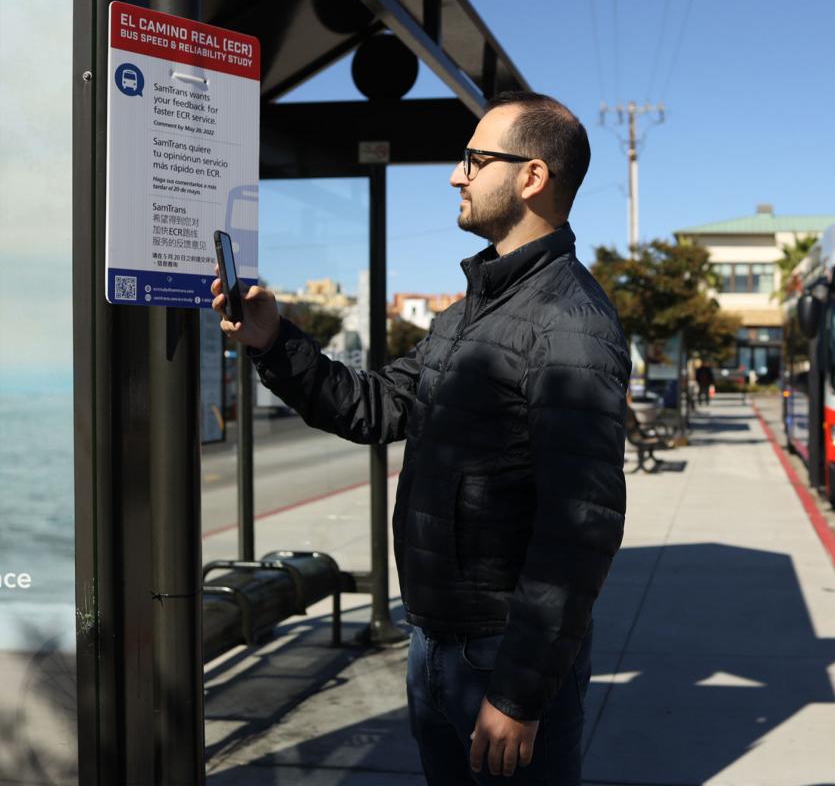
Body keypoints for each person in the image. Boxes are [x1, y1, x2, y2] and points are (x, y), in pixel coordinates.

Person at [212, 91, 630, 784]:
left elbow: (579, 526)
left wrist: (518, 692)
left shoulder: (570, 324)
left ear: (530, 177)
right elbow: (373, 407)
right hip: (436, 644)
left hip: (497, 661)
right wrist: (275, 343)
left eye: (473, 159)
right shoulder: (472, 310)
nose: (454, 175)